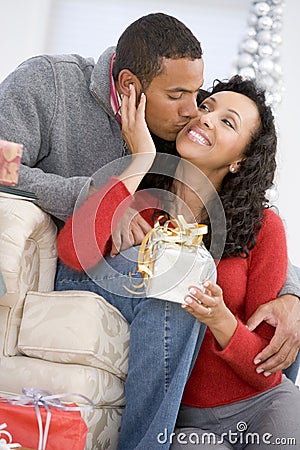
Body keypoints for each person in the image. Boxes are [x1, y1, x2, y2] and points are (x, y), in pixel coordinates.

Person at [56, 75, 300, 449]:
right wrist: (140, 160)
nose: (206, 118)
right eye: (206, 107)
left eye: (227, 122)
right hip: (187, 420)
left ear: (240, 161)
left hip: (261, 403)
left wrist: (219, 318)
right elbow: (71, 254)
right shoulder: (142, 207)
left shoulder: (264, 228)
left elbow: (268, 363)